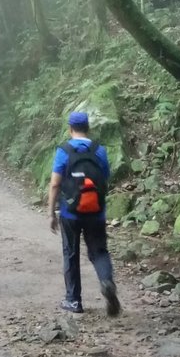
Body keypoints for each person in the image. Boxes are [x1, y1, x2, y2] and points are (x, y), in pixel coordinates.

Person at [47, 110, 121, 316]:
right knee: (99, 251)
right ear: (88, 128)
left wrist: (51, 212)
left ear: (70, 129)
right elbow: (104, 177)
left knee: (70, 253)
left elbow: (55, 184)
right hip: (96, 211)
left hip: (70, 213)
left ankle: (73, 301)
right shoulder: (99, 150)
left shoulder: (63, 150)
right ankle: (106, 281)